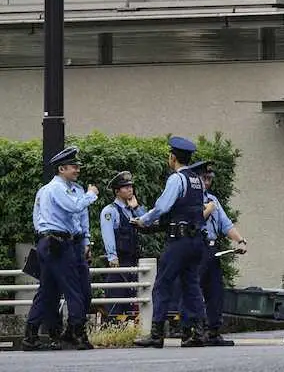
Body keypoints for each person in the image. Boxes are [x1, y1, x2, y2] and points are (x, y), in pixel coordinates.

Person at [133, 136, 208, 349]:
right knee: (191, 285)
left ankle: (156, 335)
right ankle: (197, 332)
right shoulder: (197, 180)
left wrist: (143, 220)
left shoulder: (177, 179)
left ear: (172, 157)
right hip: (196, 240)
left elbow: (162, 207)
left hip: (180, 240)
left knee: (162, 285)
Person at [23, 146, 99, 352]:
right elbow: (74, 207)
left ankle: (31, 335)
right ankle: (76, 332)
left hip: (69, 243)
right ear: (61, 169)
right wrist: (92, 195)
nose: (77, 170)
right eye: (73, 167)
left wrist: (85, 242)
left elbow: (82, 219)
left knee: (48, 290)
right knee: (75, 287)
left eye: (77, 166)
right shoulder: (54, 189)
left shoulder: (76, 190)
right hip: (56, 243)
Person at [196, 160, 247, 347]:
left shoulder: (213, 199)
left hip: (212, 248)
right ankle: (197, 331)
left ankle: (214, 331)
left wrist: (240, 240)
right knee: (196, 290)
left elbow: (226, 224)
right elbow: (193, 221)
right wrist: (207, 210)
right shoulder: (190, 199)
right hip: (196, 247)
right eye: (204, 178)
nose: (207, 182)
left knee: (215, 290)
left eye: (210, 178)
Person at [99, 171, 145, 322]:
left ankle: (127, 327)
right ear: (117, 191)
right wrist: (112, 256)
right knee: (117, 294)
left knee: (130, 296)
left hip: (132, 259)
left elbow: (146, 222)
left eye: (131, 186)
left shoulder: (132, 209)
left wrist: (137, 207)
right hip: (119, 260)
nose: (130, 189)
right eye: (125, 187)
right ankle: (113, 326)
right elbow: (108, 235)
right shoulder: (110, 210)